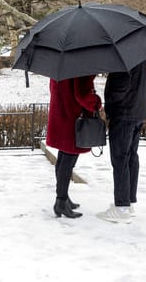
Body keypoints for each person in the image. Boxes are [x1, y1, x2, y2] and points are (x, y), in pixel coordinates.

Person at [97, 60, 146, 223]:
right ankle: (128, 201)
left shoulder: (124, 59)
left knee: (120, 159)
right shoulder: (140, 57)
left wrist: (108, 104)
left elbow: (120, 86)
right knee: (131, 157)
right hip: (137, 112)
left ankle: (122, 207)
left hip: (124, 114)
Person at [47, 75, 102, 219]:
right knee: (68, 161)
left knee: (63, 159)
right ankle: (61, 201)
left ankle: (63, 197)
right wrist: (96, 102)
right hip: (73, 119)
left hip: (61, 114)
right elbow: (82, 95)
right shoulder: (80, 68)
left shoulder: (61, 65)